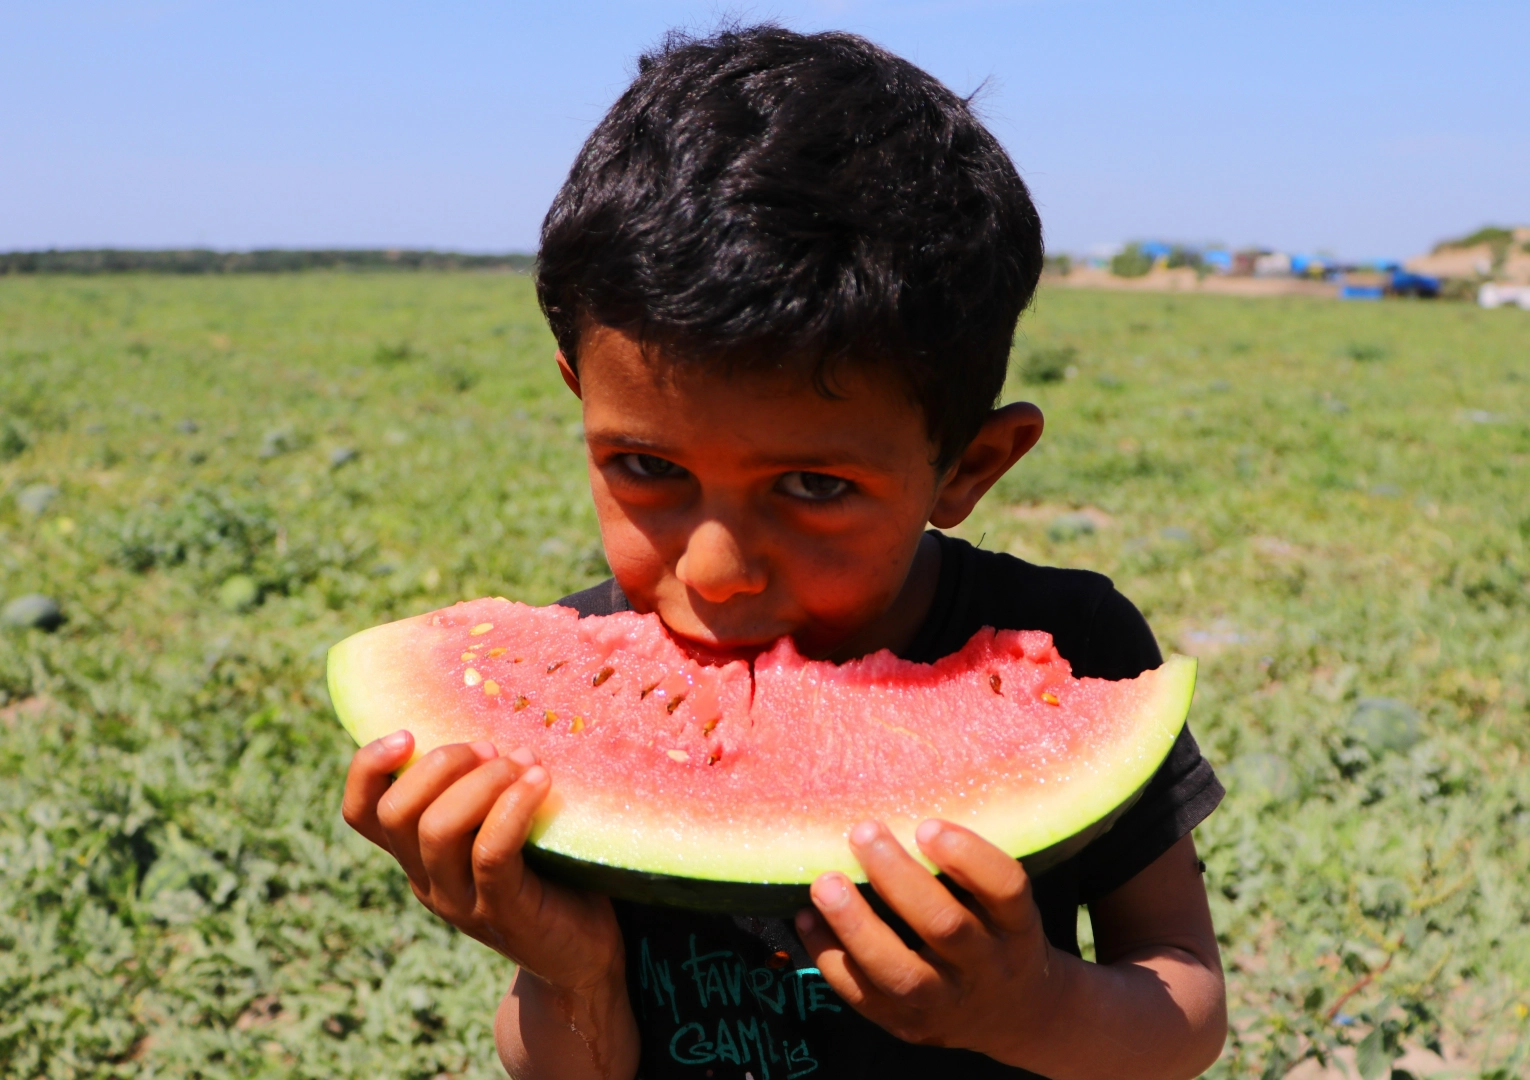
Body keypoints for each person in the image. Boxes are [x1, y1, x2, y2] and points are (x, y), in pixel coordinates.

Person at [342, 25, 1226, 1080]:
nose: (715, 570)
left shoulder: (1075, 644)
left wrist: (1028, 1007)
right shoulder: (572, 698)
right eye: (646, 469)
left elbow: (1184, 997)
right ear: (580, 393)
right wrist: (564, 970)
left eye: (814, 487)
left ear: (969, 468)